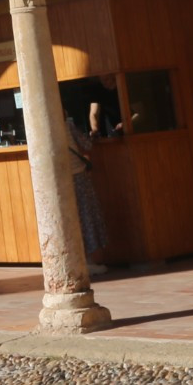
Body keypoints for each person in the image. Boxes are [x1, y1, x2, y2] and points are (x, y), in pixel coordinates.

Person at [65, 101, 109, 275]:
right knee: (86, 216)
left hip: (59, 181)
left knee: (70, 219)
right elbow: (87, 144)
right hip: (78, 176)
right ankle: (88, 261)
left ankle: (73, 261)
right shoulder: (68, 125)